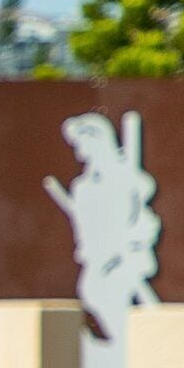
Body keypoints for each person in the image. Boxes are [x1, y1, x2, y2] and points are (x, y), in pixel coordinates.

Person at [44, 111, 162, 343]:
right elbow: (85, 221)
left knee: (115, 289)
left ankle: (140, 341)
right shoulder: (84, 184)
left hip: (124, 250)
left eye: (83, 144)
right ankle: (128, 341)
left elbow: (140, 207)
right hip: (100, 251)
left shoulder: (122, 173)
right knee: (94, 291)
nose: (80, 152)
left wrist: (132, 239)